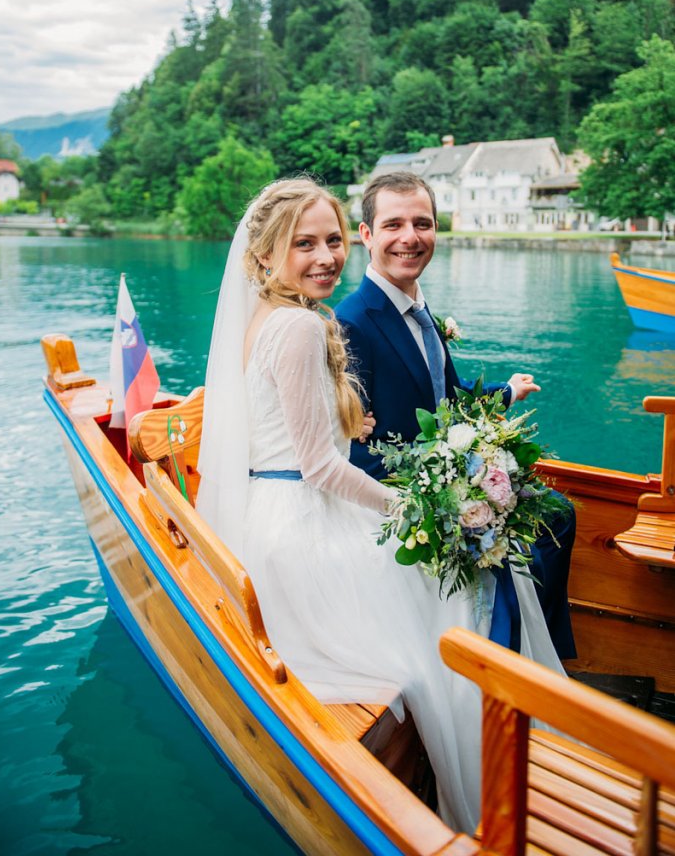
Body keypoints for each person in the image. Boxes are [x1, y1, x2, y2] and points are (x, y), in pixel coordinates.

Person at [196, 177, 564, 834]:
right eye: (302, 244)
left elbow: (300, 434)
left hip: (271, 518)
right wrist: (412, 511)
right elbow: (319, 466)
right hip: (303, 521)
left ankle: (502, 728)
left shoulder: (268, 320)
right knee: (451, 591)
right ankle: (492, 763)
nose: (325, 257)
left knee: (478, 555)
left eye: (331, 240)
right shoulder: (305, 326)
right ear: (264, 255)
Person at [336, 171, 576, 660]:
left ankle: (541, 649)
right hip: (406, 493)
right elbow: (351, 446)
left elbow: (448, 399)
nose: (410, 237)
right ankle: (509, 664)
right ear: (366, 235)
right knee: (517, 541)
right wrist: (441, 495)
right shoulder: (352, 322)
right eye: (393, 224)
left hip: (450, 469)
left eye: (422, 223)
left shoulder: (423, 314)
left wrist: (506, 393)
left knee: (559, 515)